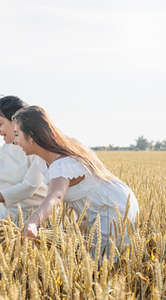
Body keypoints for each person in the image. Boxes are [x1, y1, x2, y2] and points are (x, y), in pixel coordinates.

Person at [12, 105, 139, 256]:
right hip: (100, 209)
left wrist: (34, 221)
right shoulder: (42, 161)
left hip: (113, 207)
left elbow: (56, 196)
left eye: (16, 134)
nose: (14, 141)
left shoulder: (63, 164)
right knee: (96, 261)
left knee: (104, 262)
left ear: (31, 136)